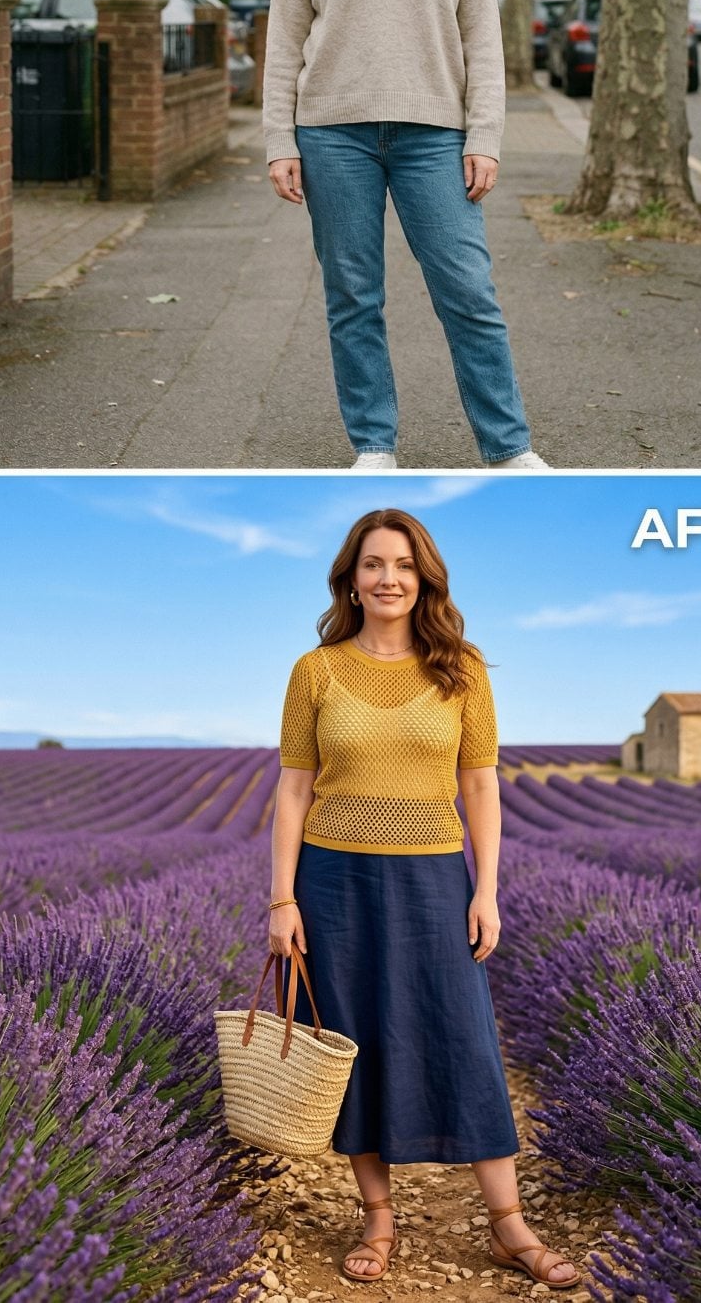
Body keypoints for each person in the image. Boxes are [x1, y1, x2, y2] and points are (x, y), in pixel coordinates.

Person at [268, 508, 579, 1289]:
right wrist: (282, 900)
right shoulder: (316, 670)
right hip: (332, 880)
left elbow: (481, 784)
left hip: (436, 877)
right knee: (352, 1041)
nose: (389, 579)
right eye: (373, 565)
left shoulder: (462, 668)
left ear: (425, 578)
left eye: (403, 566)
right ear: (351, 578)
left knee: (464, 1037)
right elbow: (294, 788)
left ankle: (509, 1226)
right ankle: (379, 1219)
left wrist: (488, 889)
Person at [262, 0, 546, 472]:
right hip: (332, 134)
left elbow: (483, 36)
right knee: (353, 295)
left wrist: (485, 135)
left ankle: (509, 449)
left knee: (468, 292)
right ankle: (374, 444)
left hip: (434, 136)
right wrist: (278, 141)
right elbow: (283, 39)